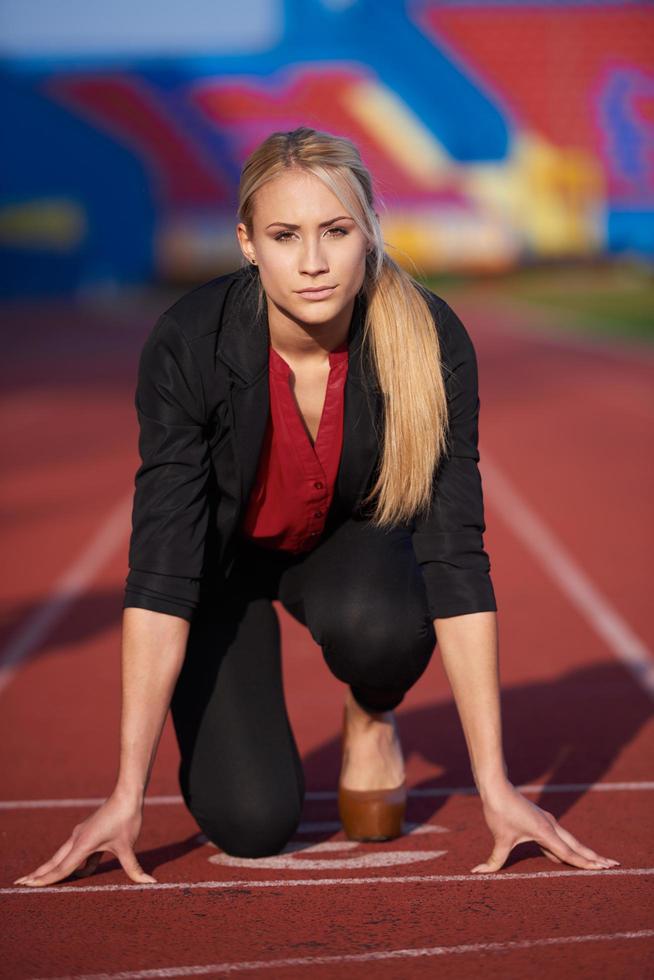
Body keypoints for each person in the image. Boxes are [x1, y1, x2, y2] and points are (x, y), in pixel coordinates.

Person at [14, 127, 619, 887]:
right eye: (284, 235)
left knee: (385, 628)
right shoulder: (188, 344)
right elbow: (163, 567)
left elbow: (455, 556)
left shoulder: (429, 339)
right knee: (253, 825)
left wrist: (495, 785)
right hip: (222, 575)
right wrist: (124, 794)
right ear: (246, 243)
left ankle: (371, 713)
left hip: (344, 546)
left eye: (335, 231)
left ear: (368, 230)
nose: (311, 262)